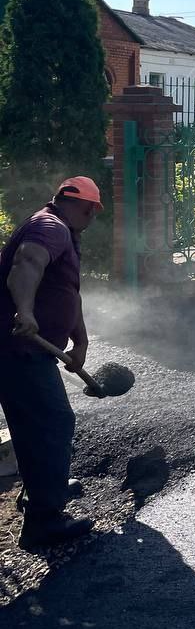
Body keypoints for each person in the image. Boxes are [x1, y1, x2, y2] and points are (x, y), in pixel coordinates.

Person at [0, 177, 102, 549]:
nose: (92, 219)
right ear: (90, 208)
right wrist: (24, 311)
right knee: (52, 421)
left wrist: (81, 341)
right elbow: (26, 264)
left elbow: (66, 293)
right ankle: (44, 520)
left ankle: (46, 488)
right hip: (17, 350)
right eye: (93, 213)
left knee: (38, 422)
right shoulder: (49, 226)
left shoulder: (63, 232)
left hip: (34, 351)